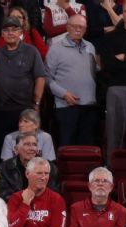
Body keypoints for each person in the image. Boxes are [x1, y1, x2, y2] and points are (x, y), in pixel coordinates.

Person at [0, 17, 46, 154]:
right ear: (2, 34)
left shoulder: (31, 51)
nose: (10, 33)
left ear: (21, 32)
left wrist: (37, 104)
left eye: (14, 30)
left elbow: (40, 77)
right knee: (2, 148)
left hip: (25, 110)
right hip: (2, 110)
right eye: (6, 30)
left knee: (27, 147)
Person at [46, 15, 97, 148]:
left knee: (87, 148)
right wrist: (63, 93)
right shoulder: (55, 49)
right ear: (67, 28)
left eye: (81, 27)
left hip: (89, 106)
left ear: (86, 29)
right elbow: (47, 77)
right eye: (74, 26)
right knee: (66, 146)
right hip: (66, 107)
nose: (78, 29)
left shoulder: (90, 47)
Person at [3, 157, 66, 227]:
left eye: (46, 173)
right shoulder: (16, 198)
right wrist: (25, 203)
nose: (43, 177)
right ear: (27, 174)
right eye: (39, 173)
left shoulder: (56, 199)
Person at [100, 8, 126, 155]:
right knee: (115, 134)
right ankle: (111, 171)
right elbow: (109, 65)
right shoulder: (111, 37)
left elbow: (116, 63)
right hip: (116, 88)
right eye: (125, 11)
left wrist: (125, 57)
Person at [0, 131, 57, 200]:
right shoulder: (5, 168)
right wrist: (25, 201)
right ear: (16, 149)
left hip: (42, 207)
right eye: (27, 144)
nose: (31, 148)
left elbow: (53, 194)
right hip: (16, 207)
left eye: (34, 144)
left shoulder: (50, 167)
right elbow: (4, 195)